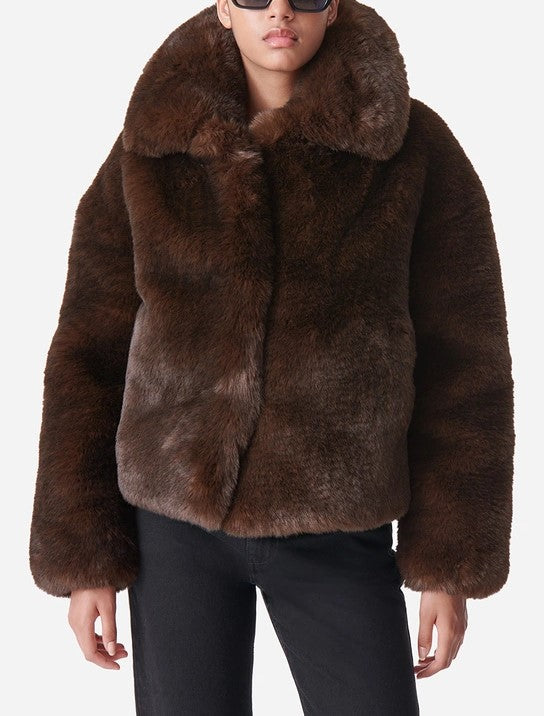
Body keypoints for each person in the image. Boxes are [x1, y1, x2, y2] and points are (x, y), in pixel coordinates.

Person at [28, 0, 515, 713]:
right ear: (226, 8)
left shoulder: (411, 147)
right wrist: (85, 557)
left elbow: (466, 359)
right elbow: (87, 349)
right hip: (173, 528)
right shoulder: (152, 147)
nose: (280, 9)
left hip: (338, 519)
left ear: (334, 6)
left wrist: (448, 562)